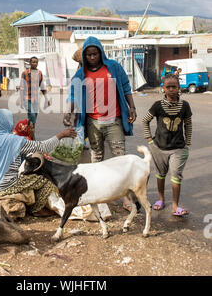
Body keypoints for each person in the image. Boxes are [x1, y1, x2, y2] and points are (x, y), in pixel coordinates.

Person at [63, 36, 137, 212]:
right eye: (88, 55)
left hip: (114, 121)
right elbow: (73, 95)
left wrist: (131, 107)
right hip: (93, 122)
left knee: (121, 158)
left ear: (101, 53)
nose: (92, 57)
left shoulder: (114, 68)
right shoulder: (81, 74)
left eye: (94, 54)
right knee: (97, 160)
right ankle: (99, 196)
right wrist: (68, 111)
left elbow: (126, 87)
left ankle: (127, 198)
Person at [0, 109, 76, 216]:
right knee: (46, 178)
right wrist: (61, 135)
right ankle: (36, 209)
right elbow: (42, 147)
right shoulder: (13, 140)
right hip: (2, 186)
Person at [143, 73, 192, 217]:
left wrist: (187, 144)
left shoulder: (185, 106)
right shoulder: (158, 105)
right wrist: (150, 140)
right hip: (158, 147)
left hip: (178, 148)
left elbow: (188, 125)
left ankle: (175, 206)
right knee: (160, 174)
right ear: (163, 88)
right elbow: (145, 121)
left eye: (174, 86)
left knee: (176, 174)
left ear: (179, 88)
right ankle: (161, 199)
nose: (171, 89)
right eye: (168, 87)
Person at [20, 57, 50, 139]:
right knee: (32, 115)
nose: (35, 63)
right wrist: (21, 100)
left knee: (33, 119)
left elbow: (43, 87)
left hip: (36, 99)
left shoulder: (39, 73)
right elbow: (22, 87)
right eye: (33, 62)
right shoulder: (25, 73)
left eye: (36, 62)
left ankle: (29, 134)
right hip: (27, 98)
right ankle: (32, 136)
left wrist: (47, 99)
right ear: (30, 63)